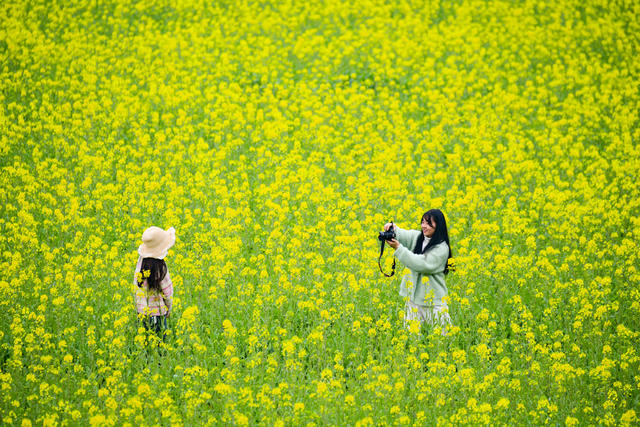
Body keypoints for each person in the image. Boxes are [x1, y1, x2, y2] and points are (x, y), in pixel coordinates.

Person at [383, 209, 453, 334]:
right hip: (413, 301)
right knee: (412, 339)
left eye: (428, 223)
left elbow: (421, 264)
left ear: (439, 225)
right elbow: (404, 234)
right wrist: (393, 229)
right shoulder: (419, 237)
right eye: (422, 222)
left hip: (434, 302)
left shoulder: (442, 248)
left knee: (443, 339)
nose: (423, 226)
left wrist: (398, 249)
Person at [133, 226, 176, 341]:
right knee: (161, 344)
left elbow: (136, 287)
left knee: (146, 344)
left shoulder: (140, 263)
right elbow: (168, 293)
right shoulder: (161, 268)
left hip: (142, 315)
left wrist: (139, 309)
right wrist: (169, 309)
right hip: (158, 315)